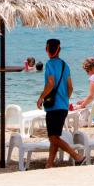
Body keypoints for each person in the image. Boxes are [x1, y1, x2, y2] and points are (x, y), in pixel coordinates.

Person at [37, 38, 83, 167]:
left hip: (53, 106)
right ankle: (49, 164)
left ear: (47, 50)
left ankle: (76, 156)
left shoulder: (50, 64)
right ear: (59, 50)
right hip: (63, 106)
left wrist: (41, 97)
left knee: (53, 137)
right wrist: (65, 99)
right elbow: (70, 87)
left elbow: (50, 83)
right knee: (54, 137)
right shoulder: (65, 65)